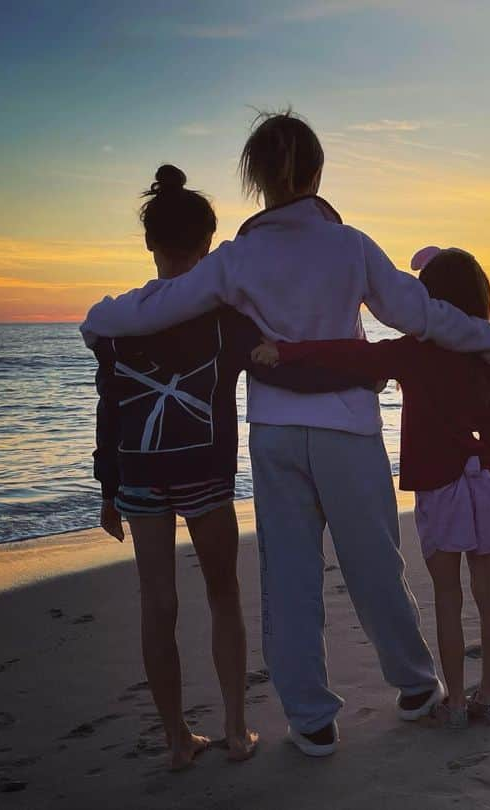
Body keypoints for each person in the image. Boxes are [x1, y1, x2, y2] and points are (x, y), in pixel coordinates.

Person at [81, 110, 490, 757]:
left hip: (275, 432)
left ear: (256, 180)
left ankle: (311, 720)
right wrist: (487, 340)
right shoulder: (351, 245)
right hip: (345, 428)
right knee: (374, 567)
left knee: (289, 576)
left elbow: (158, 305)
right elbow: (418, 313)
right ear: (316, 173)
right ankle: (417, 688)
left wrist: (97, 322)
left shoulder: (238, 257)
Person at [92, 164, 370, 769]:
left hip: (138, 474)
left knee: (156, 602)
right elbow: (281, 364)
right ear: (210, 248)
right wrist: (359, 368)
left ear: (148, 243)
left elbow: (108, 408)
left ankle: (175, 742)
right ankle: (237, 729)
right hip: (204, 474)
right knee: (223, 594)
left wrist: (108, 490)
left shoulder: (115, 326)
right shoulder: (223, 321)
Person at [252, 246, 490, 729]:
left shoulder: (414, 354)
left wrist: (285, 351)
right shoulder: (487, 353)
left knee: (448, 599)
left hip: (440, 486)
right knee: (485, 591)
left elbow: (348, 356)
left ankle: (454, 702)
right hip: (483, 485)